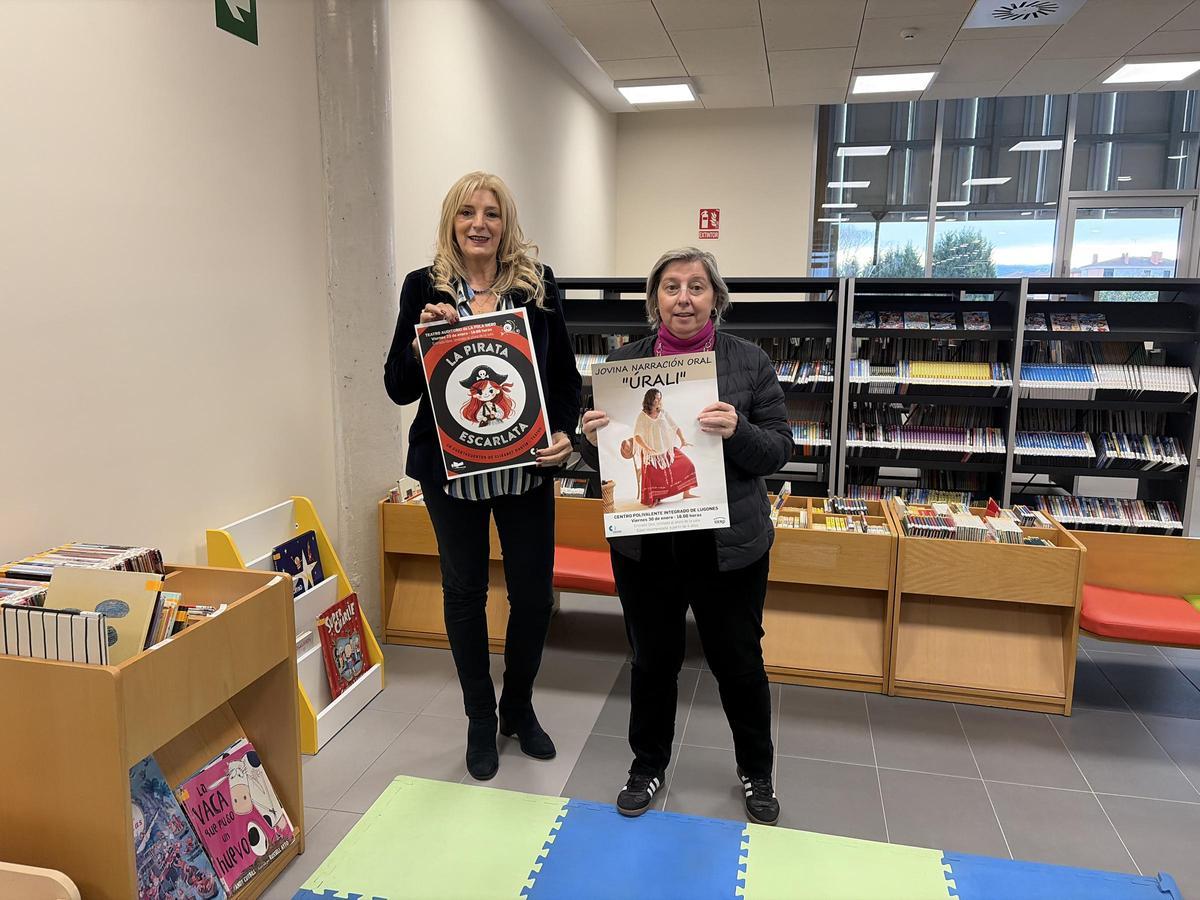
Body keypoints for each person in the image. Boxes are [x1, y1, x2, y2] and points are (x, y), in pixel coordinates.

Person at [581, 247, 792, 825]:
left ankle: (757, 770)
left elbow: (778, 449)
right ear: (655, 301)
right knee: (652, 660)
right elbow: (598, 457)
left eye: (696, 287)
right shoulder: (623, 366)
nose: (683, 298)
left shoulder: (749, 362)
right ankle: (647, 764)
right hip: (647, 545)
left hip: (728, 544)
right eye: (671, 287)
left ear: (715, 298)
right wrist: (588, 434)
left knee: (739, 662)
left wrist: (738, 429)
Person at [384, 171, 581, 780]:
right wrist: (422, 342)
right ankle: (478, 715)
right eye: (467, 212)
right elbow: (397, 387)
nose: (479, 223)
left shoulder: (538, 287)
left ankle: (518, 707)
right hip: (452, 473)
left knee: (531, 595)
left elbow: (566, 379)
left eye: (491, 213)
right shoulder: (423, 287)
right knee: (464, 594)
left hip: (526, 472)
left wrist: (566, 434)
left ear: (506, 224)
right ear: (451, 221)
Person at [632, 388, 698, 506]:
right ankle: (655, 498)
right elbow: (637, 435)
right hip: (650, 453)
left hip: (666, 449)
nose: (658, 400)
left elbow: (675, 426)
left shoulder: (663, 413)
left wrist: (683, 440)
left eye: (659, 398)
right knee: (652, 476)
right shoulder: (642, 416)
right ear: (650, 399)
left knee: (688, 464)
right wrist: (646, 447)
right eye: (656, 398)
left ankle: (686, 493)